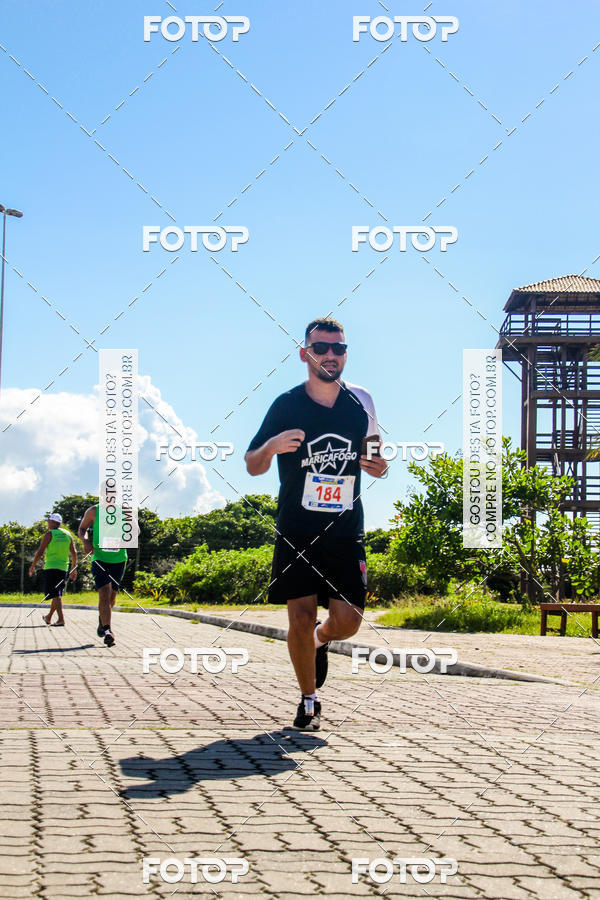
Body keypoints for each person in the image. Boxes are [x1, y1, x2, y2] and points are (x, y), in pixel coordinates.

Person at [245, 317, 387, 730]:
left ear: (345, 353)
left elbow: (375, 458)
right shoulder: (286, 404)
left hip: (345, 529)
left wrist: (380, 466)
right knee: (300, 617)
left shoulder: (361, 401)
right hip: (297, 528)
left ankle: (322, 640)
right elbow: (253, 464)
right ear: (305, 353)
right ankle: (309, 700)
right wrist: (271, 447)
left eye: (338, 348)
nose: (330, 355)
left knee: (350, 621)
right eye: (321, 348)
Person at [78, 486, 129, 647]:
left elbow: (136, 530)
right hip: (99, 558)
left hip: (119, 559)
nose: (110, 495)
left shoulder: (124, 510)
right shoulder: (94, 511)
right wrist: (85, 541)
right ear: (102, 494)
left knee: (112, 597)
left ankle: (102, 621)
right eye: (107, 493)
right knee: (104, 594)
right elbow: (82, 529)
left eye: (113, 493)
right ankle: (108, 631)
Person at [28, 512, 77, 626]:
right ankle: (49, 617)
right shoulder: (68, 534)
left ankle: (61, 619)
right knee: (56, 593)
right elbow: (74, 552)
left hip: (51, 567)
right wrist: (74, 568)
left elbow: (40, 551)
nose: (48, 523)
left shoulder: (49, 534)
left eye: (49, 521)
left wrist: (32, 566)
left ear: (54, 522)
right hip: (63, 568)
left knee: (56, 594)